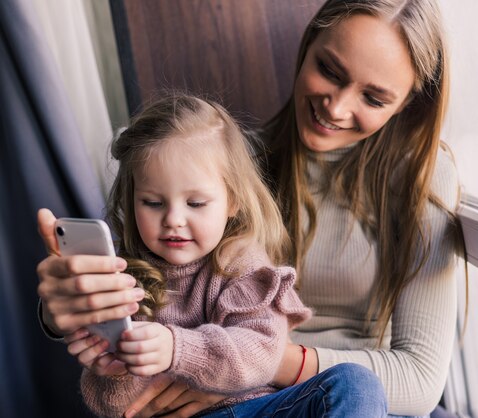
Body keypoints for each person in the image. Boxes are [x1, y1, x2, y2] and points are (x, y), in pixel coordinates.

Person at [37, 0, 461, 416]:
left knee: (355, 386)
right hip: (208, 375)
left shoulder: (423, 177)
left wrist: (234, 368)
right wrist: (64, 310)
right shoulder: (224, 166)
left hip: (342, 396)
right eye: (329, 71)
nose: (336, 107)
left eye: (374, 98)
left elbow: (420, 379)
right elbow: (136, 265)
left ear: (406, 103)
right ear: (306, 47)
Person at [40, 94, 388, 417]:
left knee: (355, 383)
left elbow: (262, 352)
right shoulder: (125, 280)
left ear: (232, 201)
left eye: (195, 203)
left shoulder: (242, 265)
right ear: (132, 202)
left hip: (258, 409)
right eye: (153, 203)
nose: (174, 219)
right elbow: (116, 407)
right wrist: (115, 372)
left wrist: (177, 348)